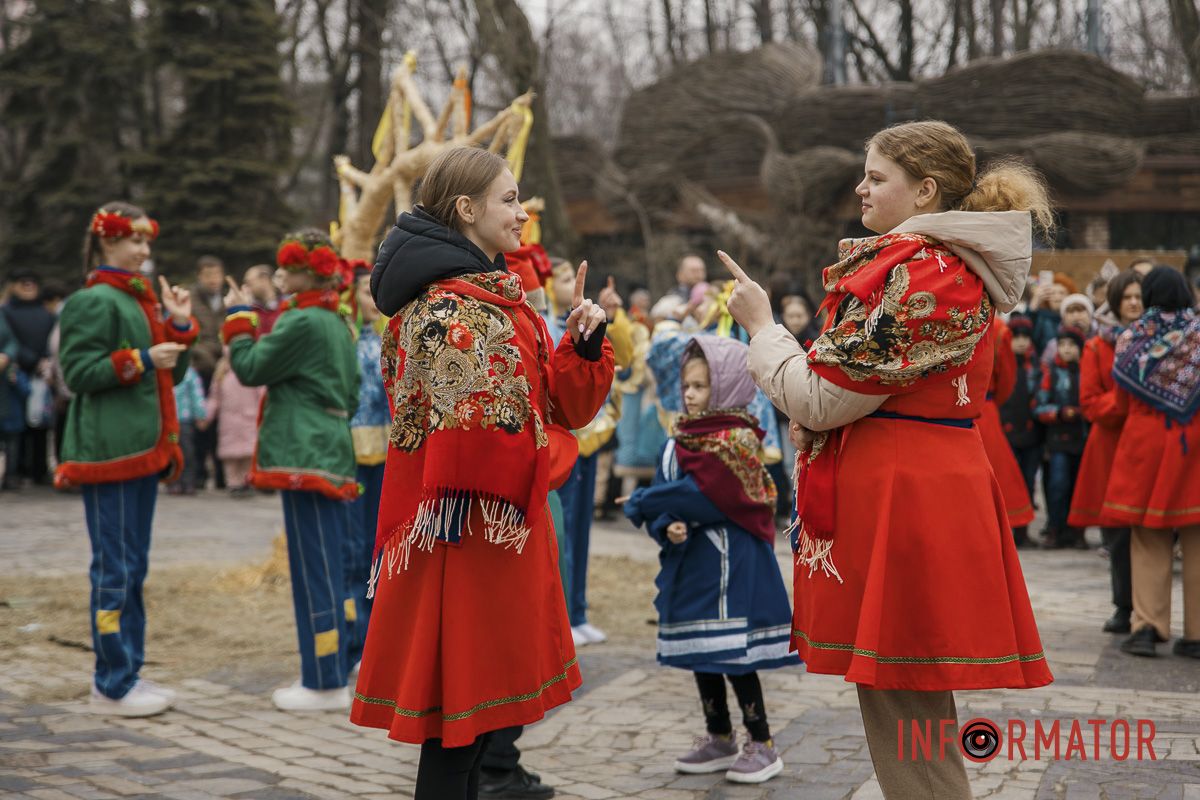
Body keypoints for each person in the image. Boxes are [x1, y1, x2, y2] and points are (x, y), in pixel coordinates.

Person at [720, 120, 1053, 799]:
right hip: (914, 483)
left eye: (876, 177)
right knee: (902, 690)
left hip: (908, 495)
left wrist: (762, 327)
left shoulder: (926, 272)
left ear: (925, 191)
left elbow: (820, 397)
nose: (860, 188)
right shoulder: (935, 265)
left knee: (904, 692)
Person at [350, 146, 614, 800]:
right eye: (510, 200)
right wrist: (558, 447)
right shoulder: (453, 311)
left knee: (470, 728)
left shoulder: (492, 298)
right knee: (457, 727)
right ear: (466, 209)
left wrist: (582, 345)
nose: (522, 213)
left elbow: (553, 407)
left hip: (486, 538)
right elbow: (488, 451)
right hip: (467, 543)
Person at [622, 335, 797, 785]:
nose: (690, 395)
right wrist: (666, 525)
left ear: (725, 387)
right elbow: (671, 497)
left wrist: (645, 501)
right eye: (687, 386)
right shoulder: (677, 440)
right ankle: (719, 735)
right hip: (694, 566)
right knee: (703, 651)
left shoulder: (737, 441)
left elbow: (707, 496)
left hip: (735, 567)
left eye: (701, 386)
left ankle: (762, 742)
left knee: (735, 656)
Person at [56, 201, 199, 716]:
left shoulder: (141, 301)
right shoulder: (92, 300)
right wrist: (140, 358)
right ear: (107, 241)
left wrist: (178, 328)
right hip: (111, 451)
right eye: (134, 241)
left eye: (146, 241)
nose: (143, 250)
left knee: (133, 566)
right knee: (115, 569)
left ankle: (127, 671)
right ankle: (112, 683)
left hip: (141, 448)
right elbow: (76, 373)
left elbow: (169, 375)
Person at [221, 229, 360, 710]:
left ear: (309, 272)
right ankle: (334, 665)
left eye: (287, 267)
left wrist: (238, 320)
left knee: (312, 567)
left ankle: (324, 680)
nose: (279, 274)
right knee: (330, 562)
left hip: (305, 450)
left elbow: (251, 368)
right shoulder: (337, 321)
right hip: (331, 445)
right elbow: (353, 392)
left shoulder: (302, 320)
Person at [1104, 267, 1200, 658]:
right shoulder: (1198, 335)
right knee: (1197, 537)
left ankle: (1147, 628)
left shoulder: (1133, 337)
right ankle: (1196, 635)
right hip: (1194, 443)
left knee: (1147, 536)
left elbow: (1121, 401)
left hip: (1145, 442)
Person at [1068, 270, 1142, 633]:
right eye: (1127, 297)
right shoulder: (1097, 347)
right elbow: (1090, 403)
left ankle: (1150, 610)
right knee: (1118, 533)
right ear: (1114, 302)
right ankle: (1124, 606)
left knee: (1152, 532)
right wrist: (1128, 401)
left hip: (1146, 444)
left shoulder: (1159, 343)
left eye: (1139, 296)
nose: (1134, 303)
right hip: (1111, 446)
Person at [344, 267, 389, 675]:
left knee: (382, 545)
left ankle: (380, 636)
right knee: (355, 545)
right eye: (363, 291)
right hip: (354, 452)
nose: (371, 300)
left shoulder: (390, 335)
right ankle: (355, 636)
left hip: (388, 452)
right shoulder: (347, 339)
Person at [977, 315, 1036, 546]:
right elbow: (1007, 378)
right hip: (983, 406)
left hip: (956, 407)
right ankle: (1014, 522)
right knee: (1000, 470)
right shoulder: (999, 328)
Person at [1034, 327, 1088, 549]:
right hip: (1057, 440)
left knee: (1080, 488)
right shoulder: (1051, 373)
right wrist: (1058, 412)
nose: (1067, 349)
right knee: (1058, 486)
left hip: (1083, 439)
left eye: (1072, 345)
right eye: (1062, 344)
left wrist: (1085, 411)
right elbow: (1039, 407)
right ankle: (1055, 529)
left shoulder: (1087, 372)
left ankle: (1078, 532)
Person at [2, 267, 57, 485]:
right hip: (15, 373)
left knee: (41, 422)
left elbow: (52, 339)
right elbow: (10, 340)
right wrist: (30, 359)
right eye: (23, 282)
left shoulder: (45, 313)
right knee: (17, 425)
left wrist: (45, 361)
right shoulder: (6, 311)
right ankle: (17, 469)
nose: (28, 286)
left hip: (42, 373)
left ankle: (39, 469)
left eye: (32, 282)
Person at [201, 348, 263, 496]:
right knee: (230, 458)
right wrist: (206, 416)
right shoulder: (222, 375)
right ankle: (233, 483)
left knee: (248, 456)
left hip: (249, 420)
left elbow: (262, 396)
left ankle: (247, 481)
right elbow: (214, 399)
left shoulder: (251, 374)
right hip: (229, 422)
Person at [191, 255, 227, 490]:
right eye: (208, 275)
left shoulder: (226, 300)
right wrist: (211, 358)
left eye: (217, 275)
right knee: (200, 422)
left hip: (224, 369)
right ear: (199, 277)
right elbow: (190, 337)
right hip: (201, 368)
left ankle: (222, 475)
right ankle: (199, 473)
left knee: (223, 423)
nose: (213, 280)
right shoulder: (191, 301)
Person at [1000, 314, 1043, 509]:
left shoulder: (1035, 366)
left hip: (1032, 433)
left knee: (1029, 478)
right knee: (1009, 479)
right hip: (1007, 430)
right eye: (1016, 337)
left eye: (1025, 337)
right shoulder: (1002, 364)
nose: (1021, 342)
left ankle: (1025, 520)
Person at [169, 364, 207, 495]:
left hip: (185, 422)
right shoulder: (165, 372)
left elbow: (197, 395)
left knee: (187, 450)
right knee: (172, 450)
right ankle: (173, 482)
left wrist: (200, 414)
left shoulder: (190, 374)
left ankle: (189, 482)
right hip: (169, 424)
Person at [243, 264, 283, 334]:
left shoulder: (287, 306)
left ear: (264, 279)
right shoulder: (251, 310)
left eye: (249, 283)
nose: (246, 289)